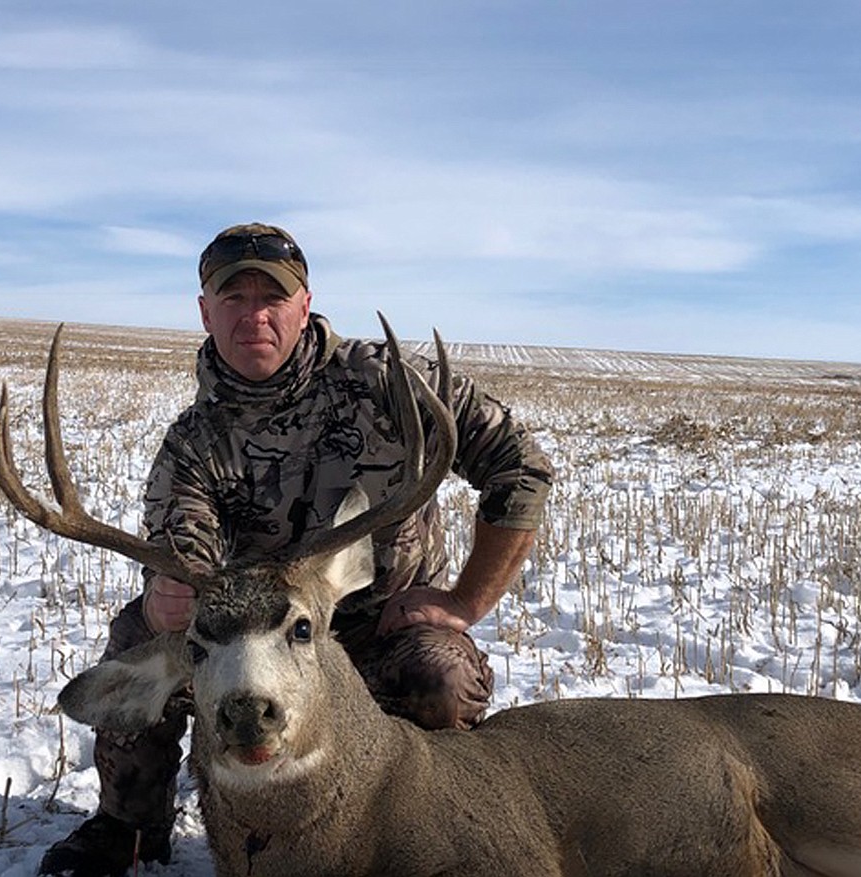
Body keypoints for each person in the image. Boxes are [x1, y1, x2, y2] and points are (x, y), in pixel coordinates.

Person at [38, 223, 555, 877]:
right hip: (252, 640)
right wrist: (171, 589)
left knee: (443, 675)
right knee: (143, 630)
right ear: (205, 311)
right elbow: (183, 537)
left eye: (271, 297)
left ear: (303, 303)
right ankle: (130, 823)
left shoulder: (392, 384)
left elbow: (522, 468)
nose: (254, 314)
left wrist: (465, 599)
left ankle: (425, 824)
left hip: (379, 629)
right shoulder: (194, 441)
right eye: (234, 298)